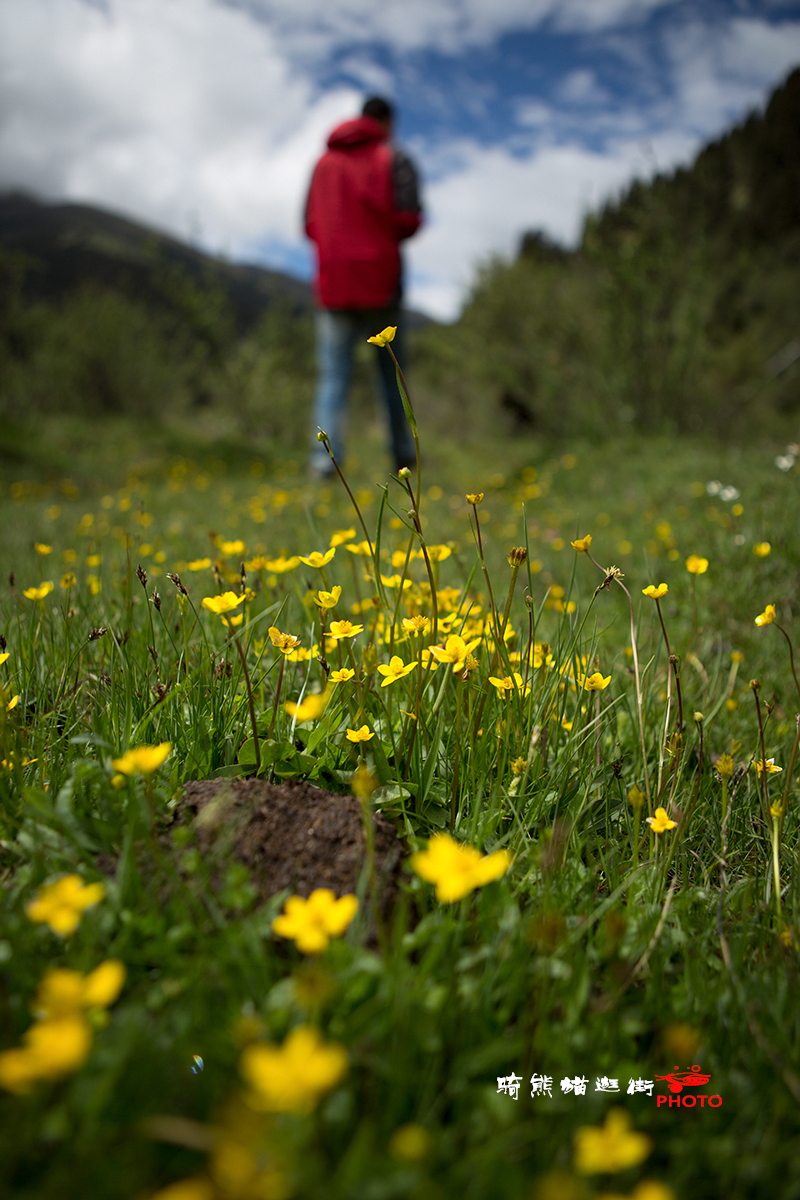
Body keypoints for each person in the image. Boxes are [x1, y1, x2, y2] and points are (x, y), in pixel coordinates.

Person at [304, 96, 423, 478]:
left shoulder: (323, 164)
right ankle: (404, 459)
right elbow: (409, 218)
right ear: (386, 122)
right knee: (392, 376)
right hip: (380, 282)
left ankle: (324, 464)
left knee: (333, 378)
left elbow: (310, 224)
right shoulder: (394, 158)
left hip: (334, 284)